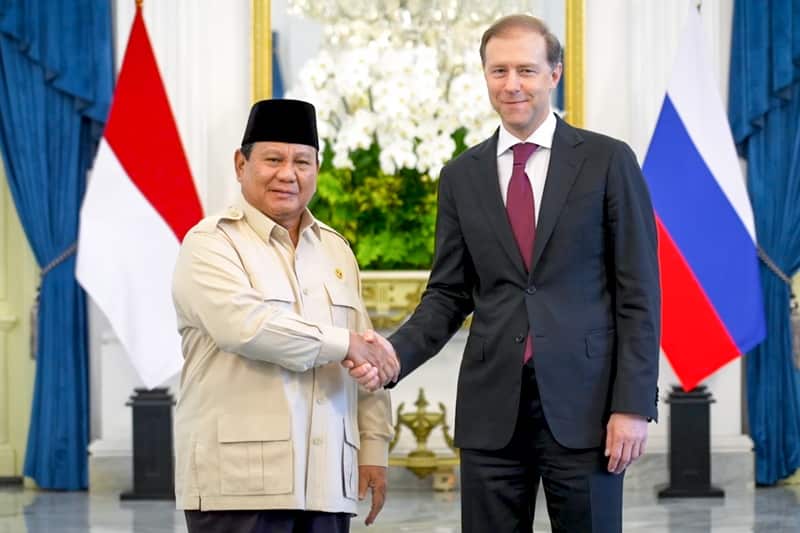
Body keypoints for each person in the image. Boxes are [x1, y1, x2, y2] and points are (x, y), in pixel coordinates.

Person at [353, 14, 660, 533]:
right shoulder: (461, 175)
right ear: (485, 76)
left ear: (553, 74)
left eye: (526, 69)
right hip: (491, 411)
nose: (512, 84)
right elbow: (448, 293)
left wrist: (631, 405)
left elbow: (639, 295)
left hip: (586, 411)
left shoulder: (608, 161)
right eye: (499, 71)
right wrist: (394, 353)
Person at [172, 98, 398, 533]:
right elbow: (247, 328)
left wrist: (373, 448)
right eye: (272, 159)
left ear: (317, 168)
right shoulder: (211, 244)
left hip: (327, 480)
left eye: (302, 161)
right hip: (237, 484)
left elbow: (365, 351)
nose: (288, 174)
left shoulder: (336, 249)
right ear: (241, 164)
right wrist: (345, 344)